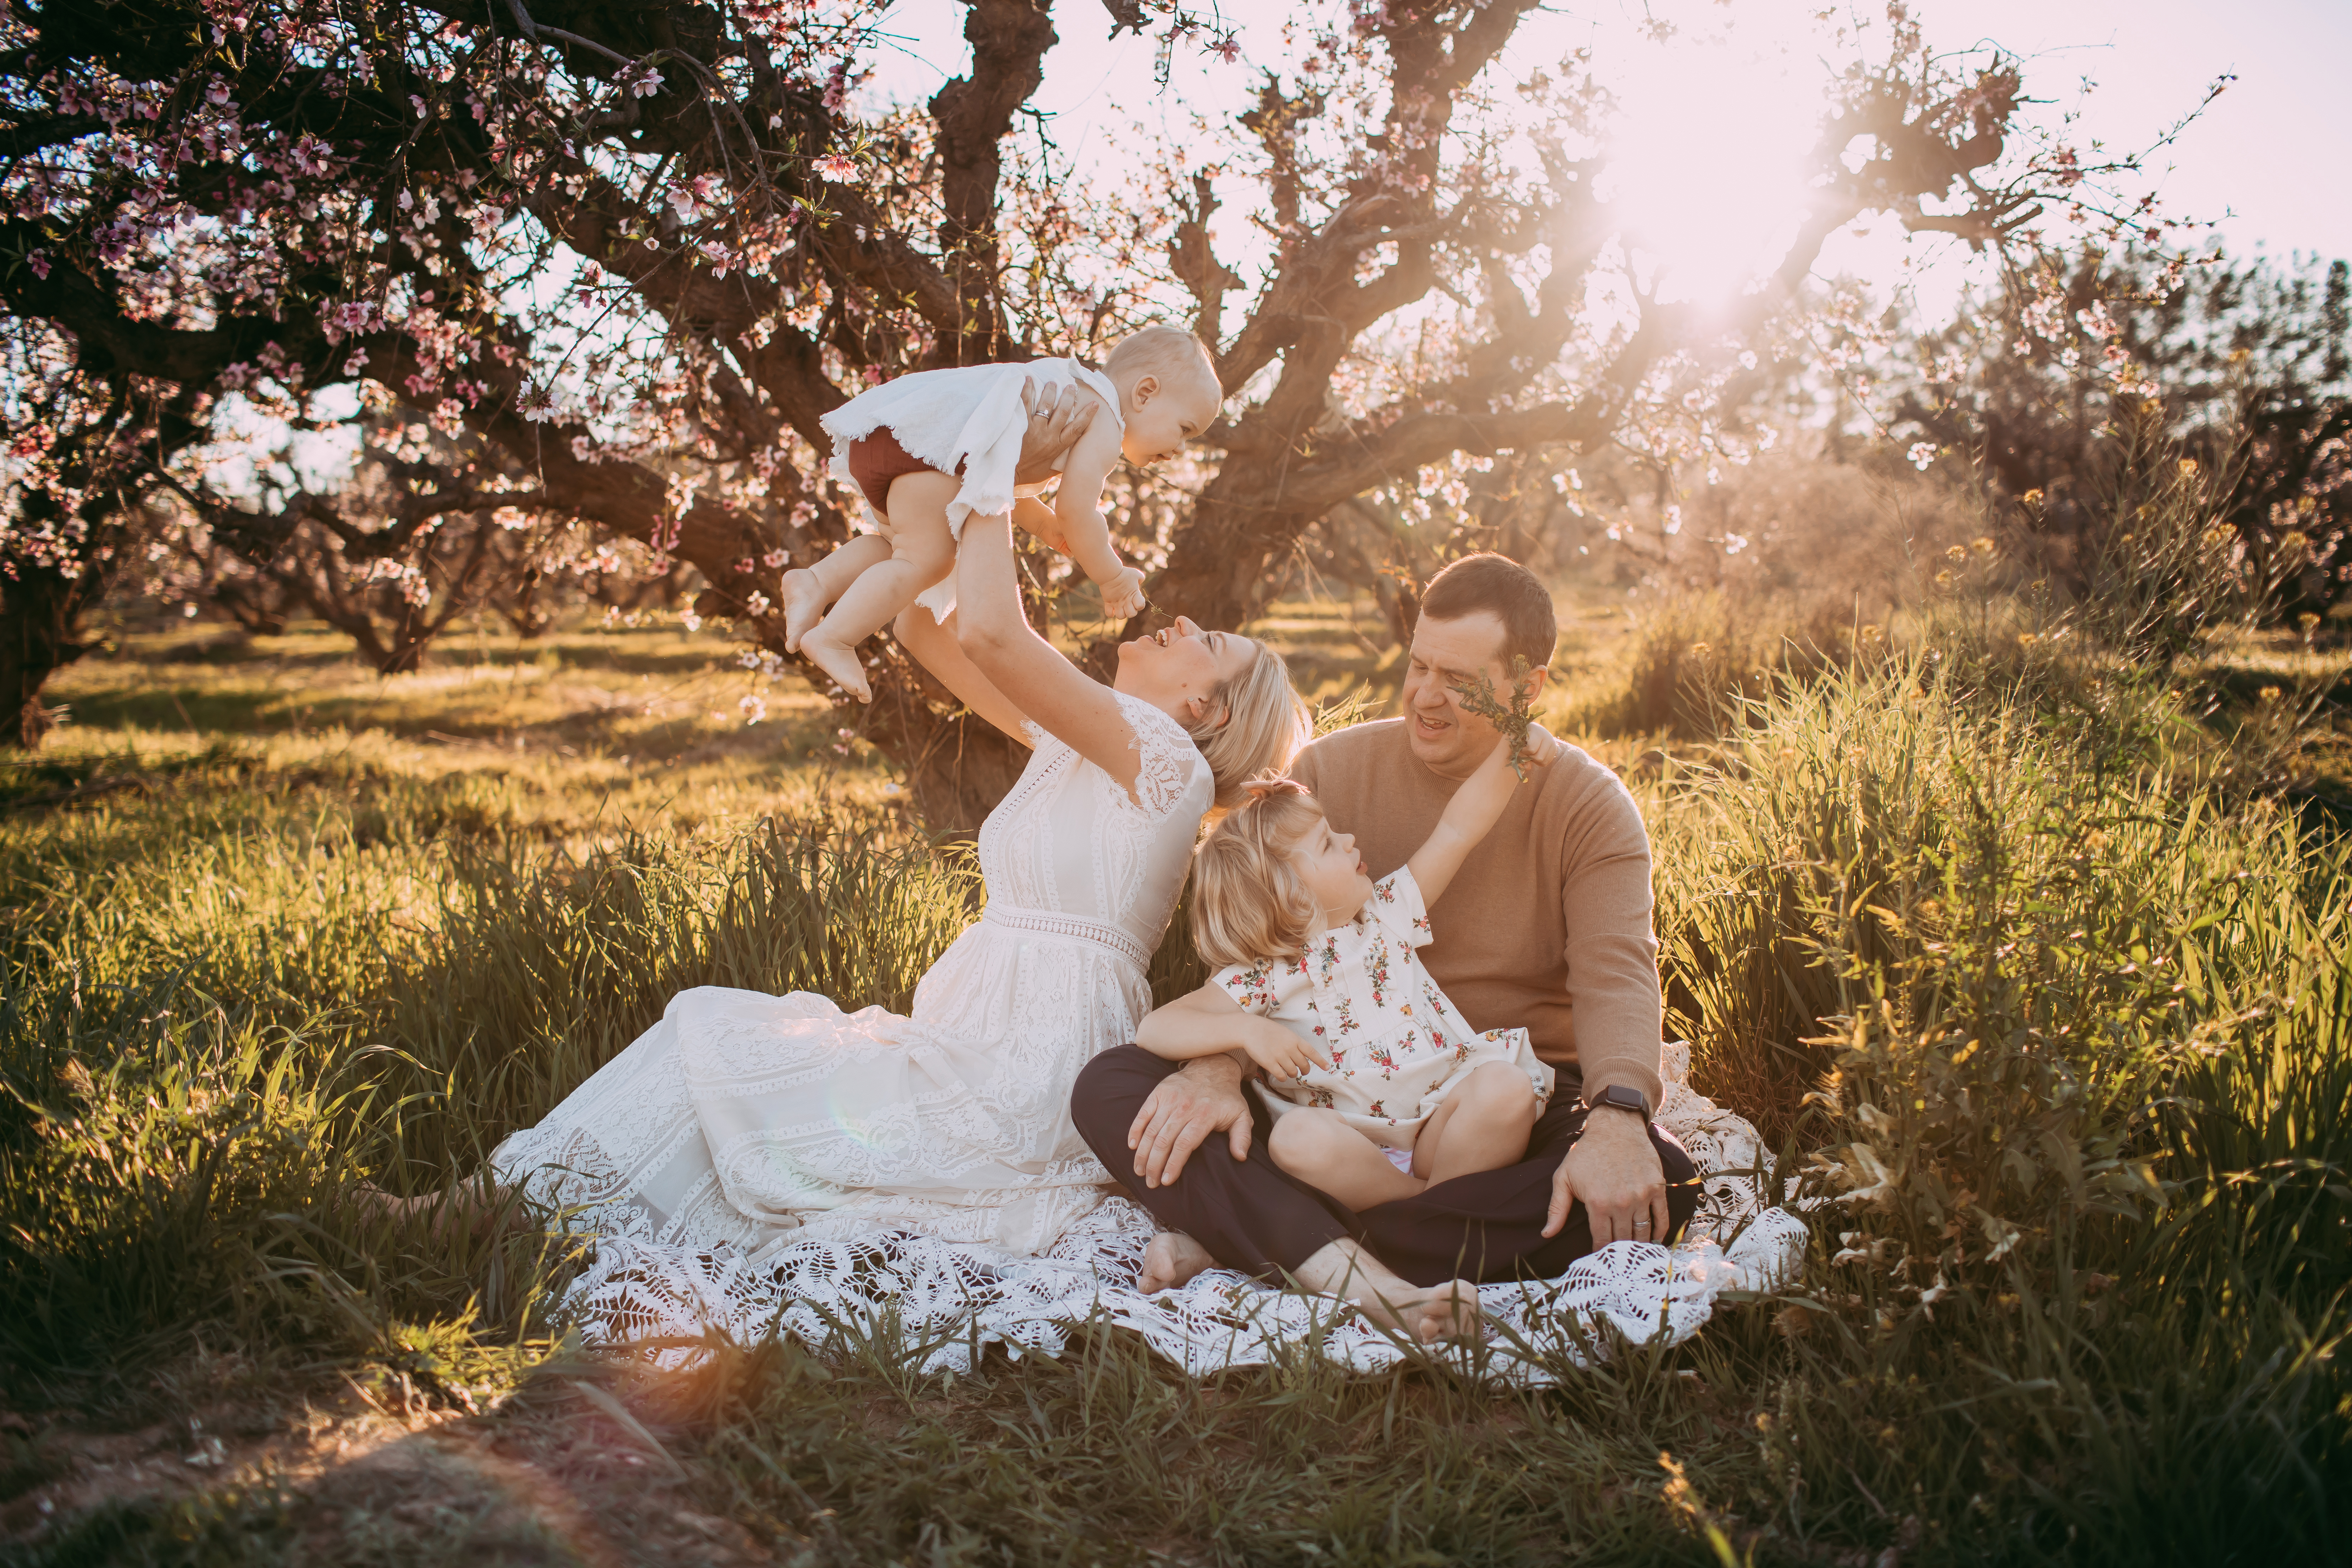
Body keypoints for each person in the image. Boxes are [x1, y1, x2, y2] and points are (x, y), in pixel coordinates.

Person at [384, 390, 1307, 1275]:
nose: (1181, 620)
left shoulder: (1161, 757)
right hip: (976, 1044)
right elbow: (923, 624)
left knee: (710, 1031)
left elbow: (991, 634)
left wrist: (989, 470)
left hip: (1021, 1074)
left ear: (1202, 708)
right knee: (725, 1052)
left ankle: (475, 1213)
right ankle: (503, 1210)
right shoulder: (1093, 739)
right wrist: (965, 498)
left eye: (1208, 641)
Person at [1069, 552, 1702, 1298]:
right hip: (1331, 1094)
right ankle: (1387, 1250)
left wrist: (1621, 1115)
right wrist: (1221, 1067)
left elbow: (1616, 971)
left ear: (1526, 688)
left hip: (1497, 1108)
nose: (1425, 697)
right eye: (1418, 665)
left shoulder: (1587, 803)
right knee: (1111, 1086)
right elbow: (1263, 960)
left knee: (1663, 1178)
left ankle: (1291, 1247)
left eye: (1459, 681)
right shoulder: (1331, 771)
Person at [1137, 726, 1561, 1213]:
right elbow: (1156, 1027)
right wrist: (1247, 1031)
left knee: (1504, 1088)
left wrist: (1510, 754)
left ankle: (1421, 1217)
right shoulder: (1263, 975)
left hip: (1442, 1125)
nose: (1348, 840)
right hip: (1352, 1154)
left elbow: (1457, 830)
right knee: (1293, 1140)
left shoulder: (1387, 914)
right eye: (1326, 844)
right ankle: (1425, 1210)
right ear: (1288, 894)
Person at [783, 325, 1223, 701]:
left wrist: (1043, 525)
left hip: (904, 437)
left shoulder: (1067, 382)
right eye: (1185, 429)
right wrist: (1111, 576)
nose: (1180, 449)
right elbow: (1078, 510)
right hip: (931, 454)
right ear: (1145, 393)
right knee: (928, 559)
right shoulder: (1103, 418)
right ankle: (836, 636)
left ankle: (816, 581)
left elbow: (1001, 478)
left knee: (895, 546)